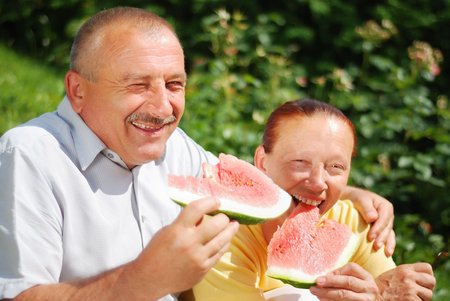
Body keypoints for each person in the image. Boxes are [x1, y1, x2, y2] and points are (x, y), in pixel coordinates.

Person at [0, 7, 394, 301]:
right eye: (138, 84)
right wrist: (142, 279)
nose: (162, 107)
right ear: (78, 90)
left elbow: (258, 187)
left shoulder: (177, 148)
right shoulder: (30, 155)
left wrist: (350, 195)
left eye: (174, 84)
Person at [189, 98, 436, 301]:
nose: (318, 182)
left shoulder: (357, 224)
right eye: (300, 162)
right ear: (262, 162)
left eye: (336, 167)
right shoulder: (221, 234)